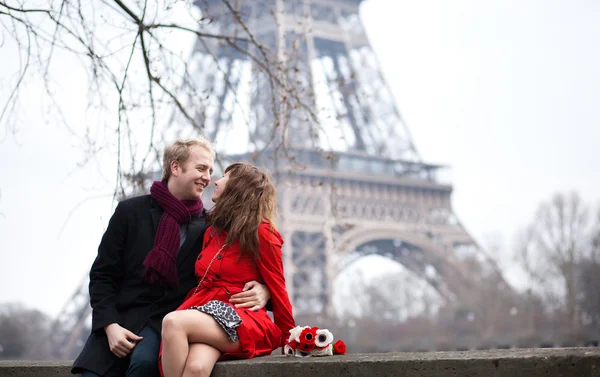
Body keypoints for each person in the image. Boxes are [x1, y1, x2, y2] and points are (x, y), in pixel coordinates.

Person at [72, 138, 272, 377]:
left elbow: (234, 272)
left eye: (210, 171)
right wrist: (110, 326)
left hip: (164, 328)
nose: (208, 177)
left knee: (144, 365)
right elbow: (103, 275)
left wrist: (265, 290)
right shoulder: (130, 212)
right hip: (118, 323)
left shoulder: (211, 227)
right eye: (201, 168)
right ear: (175, 168)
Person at [159, 162, 296, 377]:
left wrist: (293, 340)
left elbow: (279, 289)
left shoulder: (261, 232)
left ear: (237, 187)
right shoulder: (212, 231)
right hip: (205, 312)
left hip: (239, 317)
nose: (216, 180)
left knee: (173, 322)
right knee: (196, 368)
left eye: (224, 177)